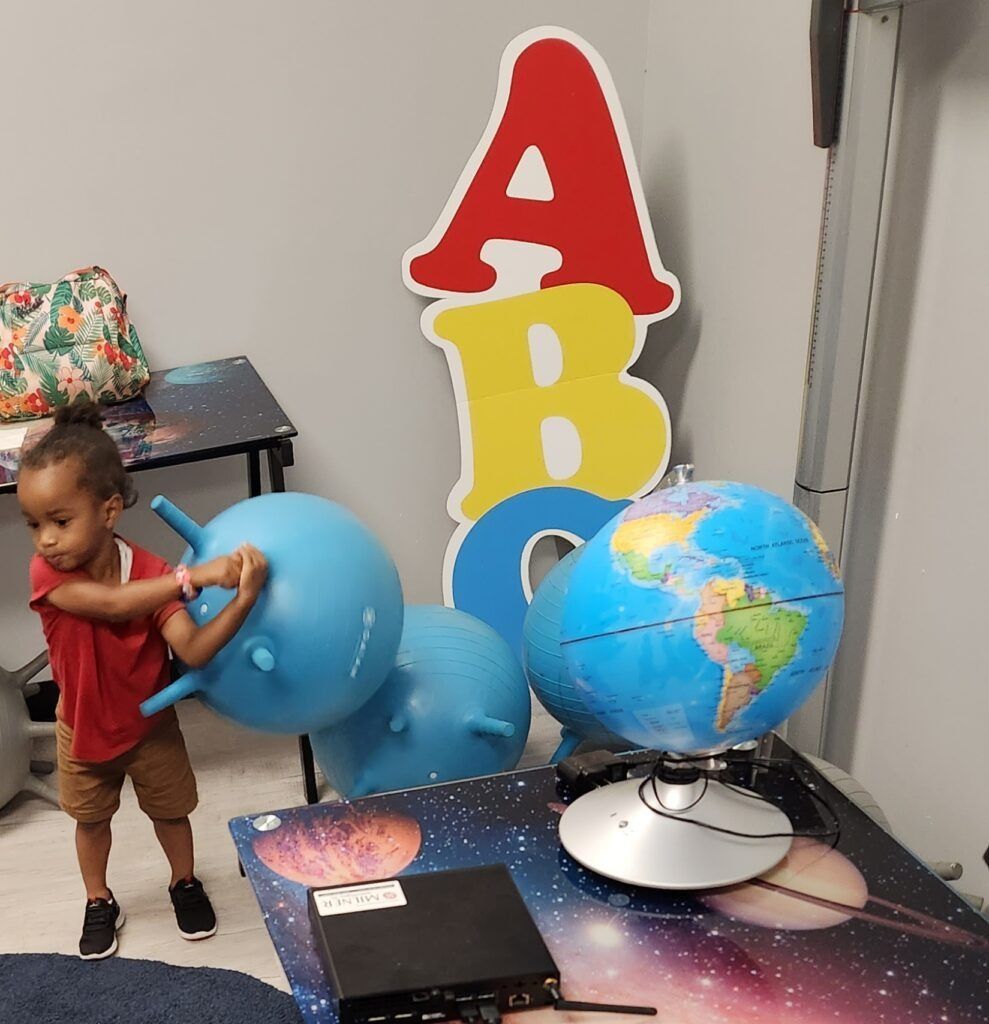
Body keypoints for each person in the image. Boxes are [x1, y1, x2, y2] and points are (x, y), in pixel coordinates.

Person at [17, 400, 268, 961]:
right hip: (79, 730)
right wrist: (194, 576)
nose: (45, 541)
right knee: (89, 822)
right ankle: (99, 897)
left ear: (108, 511)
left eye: (60, 521)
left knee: (171, 813)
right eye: (35, 524)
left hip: (150, 727)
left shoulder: (153, 573)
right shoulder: (48, 576)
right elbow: (109, 604)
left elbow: (195, 648)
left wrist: (244, 598)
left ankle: (183, 881)